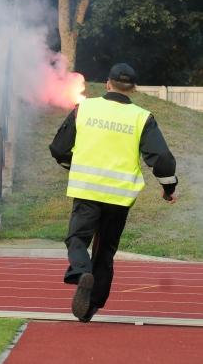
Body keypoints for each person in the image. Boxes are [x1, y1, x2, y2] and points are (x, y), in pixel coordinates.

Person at [49, 63, 178, 322]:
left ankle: (81, 271)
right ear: (134, 88)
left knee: (77, 240)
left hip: (87, 191)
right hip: (120, 197)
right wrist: (168, 189)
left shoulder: (84, 109)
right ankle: (91, 305)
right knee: (105, 250)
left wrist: (70, 167)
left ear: (107, 84)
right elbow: (161, 158)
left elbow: (60, 149)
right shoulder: (142, 117)